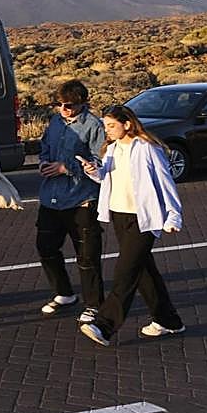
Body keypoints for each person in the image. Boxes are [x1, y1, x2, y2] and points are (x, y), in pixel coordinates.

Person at [78, 104, 185, 346]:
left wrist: (173, 216)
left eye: (112, 125)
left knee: (125, 271)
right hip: (119, 215)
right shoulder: (112, 150)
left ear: (127, 124)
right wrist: (94, 171)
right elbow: (108, 178)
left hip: (143, 218)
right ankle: (169, 321)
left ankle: (105, 326)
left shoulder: (149, 149)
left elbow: (166, 183)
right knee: (144, 271)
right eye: (106, 126)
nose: (108, 130)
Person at [35, 80, 106, 323]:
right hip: (51, 198)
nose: (63, 109)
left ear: (82, 103)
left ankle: (94, 304)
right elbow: (45, 146)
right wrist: (44, 162)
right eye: (59, 104)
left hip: (81, 199)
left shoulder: (94, 125)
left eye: (68, 105)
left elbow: (99, 160)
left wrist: (68, 168)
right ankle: (64, 293)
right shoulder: (55, 122)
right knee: (46, 247)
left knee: (87, 256)